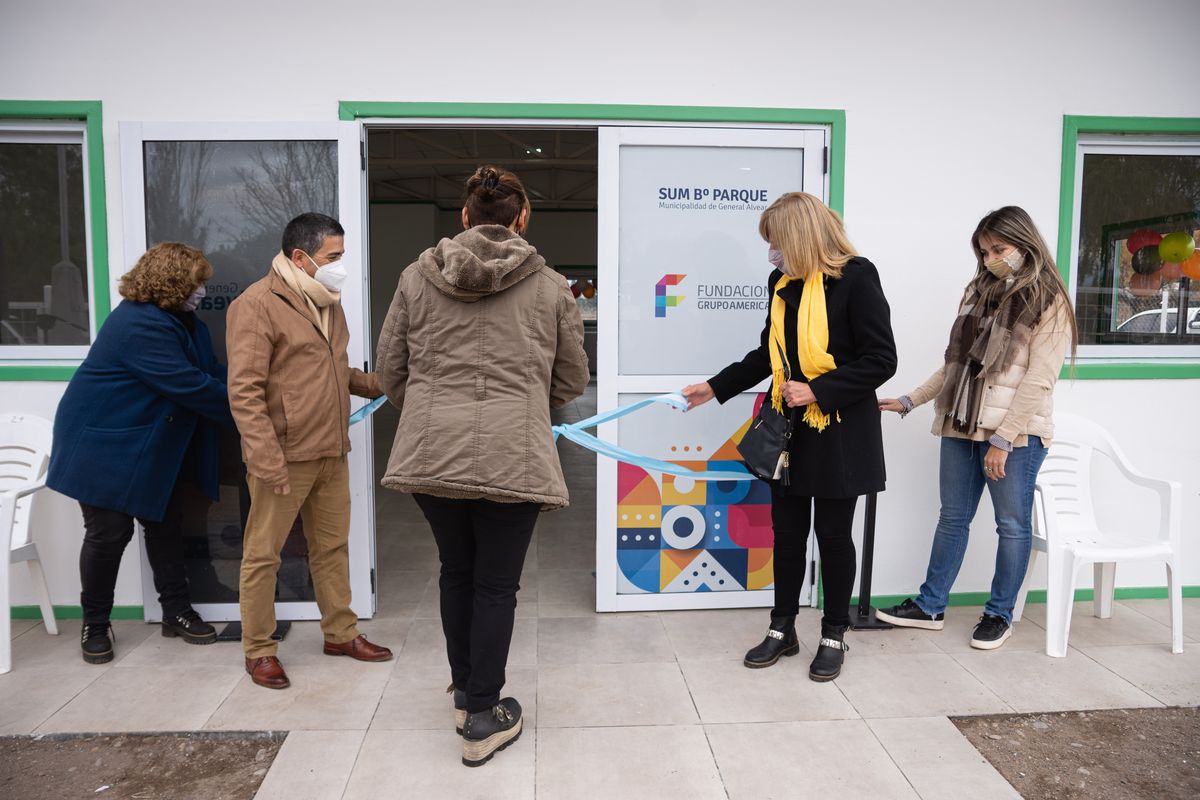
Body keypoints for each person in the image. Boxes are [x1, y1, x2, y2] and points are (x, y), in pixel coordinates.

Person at [376, 165, 588, 766]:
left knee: (456, 572)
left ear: (464, 218)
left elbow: (391, 370)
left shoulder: (417, 278)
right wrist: (521, 405)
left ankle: (466, 692)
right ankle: (483, 717)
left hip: (430, 452)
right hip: (514, 454)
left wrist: (431, 409)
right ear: (522, 219)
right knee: (496, 584)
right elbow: (572, 377)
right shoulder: (549, 287)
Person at [683, 192, 897, 681]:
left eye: (776, 241)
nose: (771, 253)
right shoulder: (781, 283)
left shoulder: (856, 277)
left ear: (800, 237)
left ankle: (833, 633)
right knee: (787, 534)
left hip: (840, 430)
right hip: (789, 432)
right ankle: (783, 628)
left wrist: (818, 390)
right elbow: (767, 355)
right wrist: (715, 387)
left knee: (834, 537)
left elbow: (882, 359)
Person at [875, 206, 1076, 649]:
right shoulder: (978, 293)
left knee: (1011, 524)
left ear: (1024, 244)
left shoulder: (1050, 301)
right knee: (953, 518)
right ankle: (930, 606)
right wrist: (911, 400)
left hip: (1015, 435)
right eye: (984, 251)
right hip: (961, 424)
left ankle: (999, 614)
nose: (990, 259)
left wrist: (1003, 439)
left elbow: (1039, 379)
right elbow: (956, 366)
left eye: (999, 249)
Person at [48, 242, 234, 664]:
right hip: (104, 445)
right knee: (109, 534)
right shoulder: (137, 324)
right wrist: (252, 410)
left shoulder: (187, 322)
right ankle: (95, 623)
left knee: (165, 524)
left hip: (149, 444)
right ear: (171, 283)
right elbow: (186, 383)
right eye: (195, 283)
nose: (202, 291)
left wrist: (253, 386)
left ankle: (176, 612)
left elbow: (210, 372)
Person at [227, 212, 390, 690]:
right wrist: (266, 459)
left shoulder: (326, 301)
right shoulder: (257, 305)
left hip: (330, 451)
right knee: (264, 555)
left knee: (332, 548)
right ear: (300, 257)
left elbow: (335, 373)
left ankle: (340, 633)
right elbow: (245, 392)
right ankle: (259, 650)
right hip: (282, 458)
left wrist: (390, 385)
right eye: (332, 257)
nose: (340, 266)